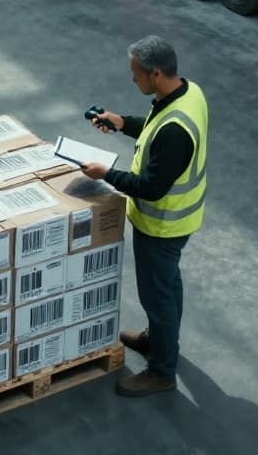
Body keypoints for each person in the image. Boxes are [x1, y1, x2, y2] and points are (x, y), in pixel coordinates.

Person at [81, 35, 208, 397]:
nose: (132, 79)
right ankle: (159, 338)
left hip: (162, 224)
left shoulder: (175, 131)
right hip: (178, 221)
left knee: (158, 296)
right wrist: (122, 122)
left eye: (136, 74)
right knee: (168, 286)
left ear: (155, 74)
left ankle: (162, 371)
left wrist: (104, 173)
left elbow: (152, 186)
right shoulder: (186, 92)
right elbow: (155, 125)